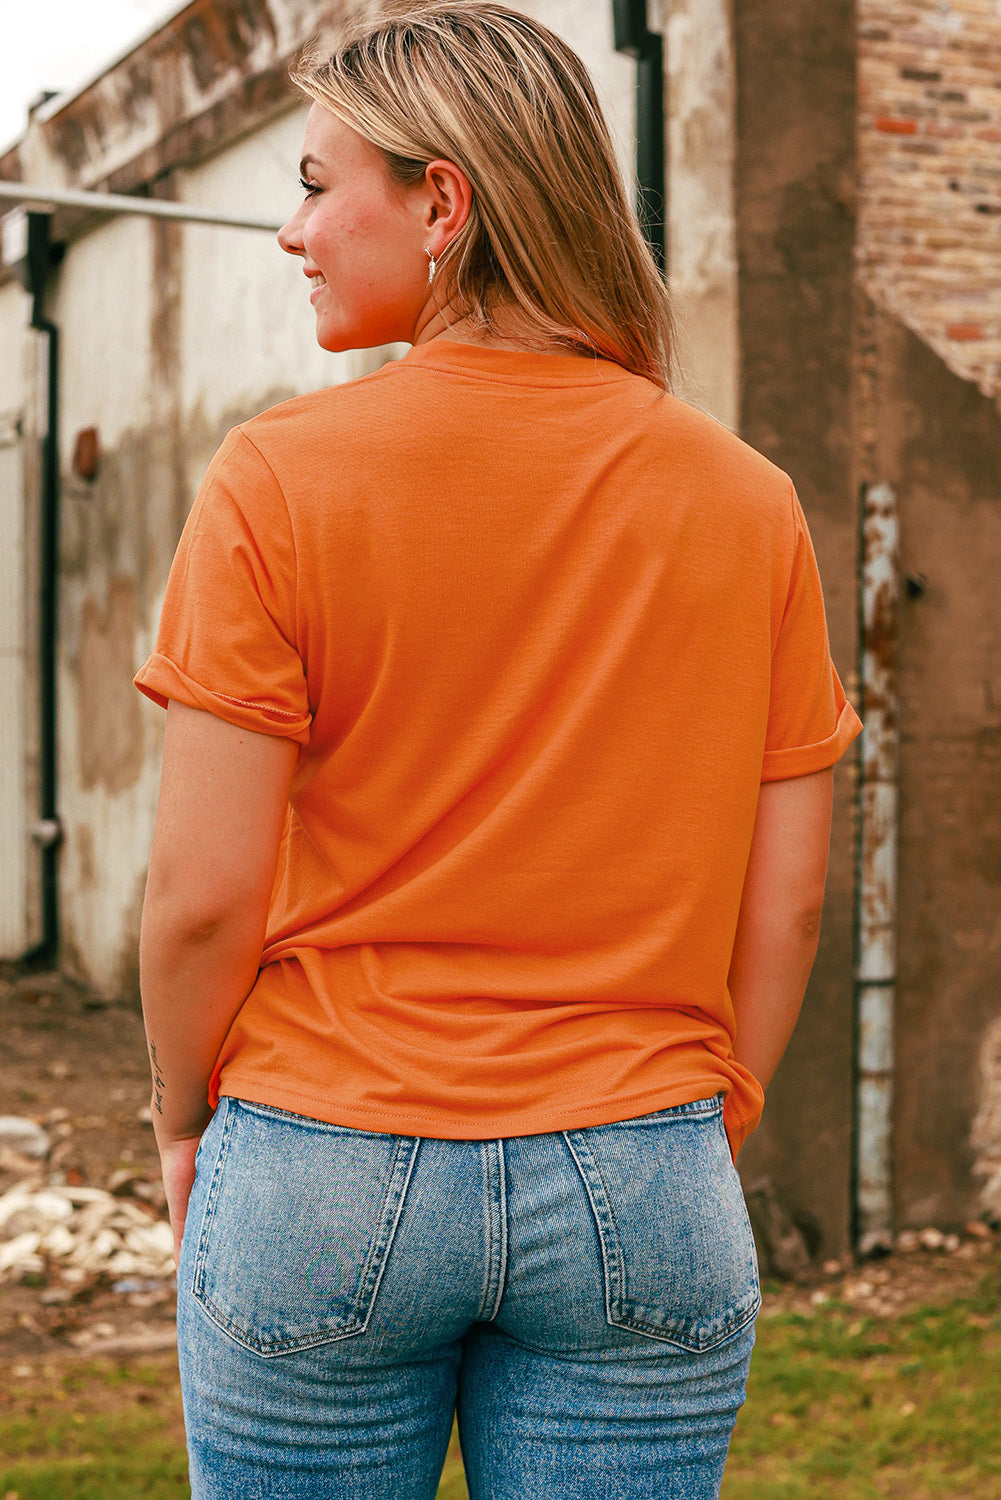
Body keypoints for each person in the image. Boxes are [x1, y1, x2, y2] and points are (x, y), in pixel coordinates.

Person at [134, 4, 861, 1496]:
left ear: (443, 203)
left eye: (317, 182)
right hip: (639, 1153)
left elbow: (202, 898)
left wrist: (182, 1118)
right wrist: (704, 1116)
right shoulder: (743, 499)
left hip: (321, 1152)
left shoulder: (278, 480)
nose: (293, 231)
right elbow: (784, 898)